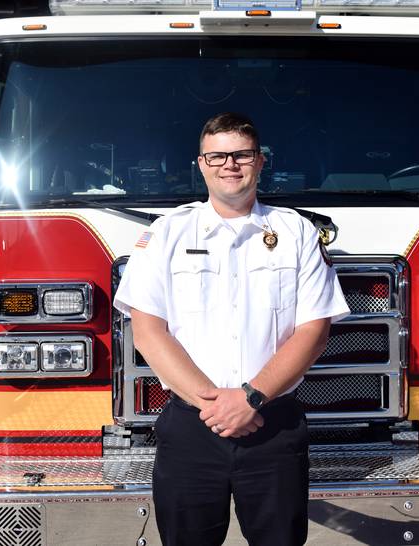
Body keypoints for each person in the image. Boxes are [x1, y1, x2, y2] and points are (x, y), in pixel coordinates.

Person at [113, 112, 349, 546]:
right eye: (217, 156)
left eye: (241, 155)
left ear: (260, 162)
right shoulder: (166, 234)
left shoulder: (296, 231)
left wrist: (251, 397)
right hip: (190, 427)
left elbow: (313, 331)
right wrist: (217, 405)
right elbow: (148, 331)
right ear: (201, 164)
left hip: (272, 426)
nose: (229, 165)